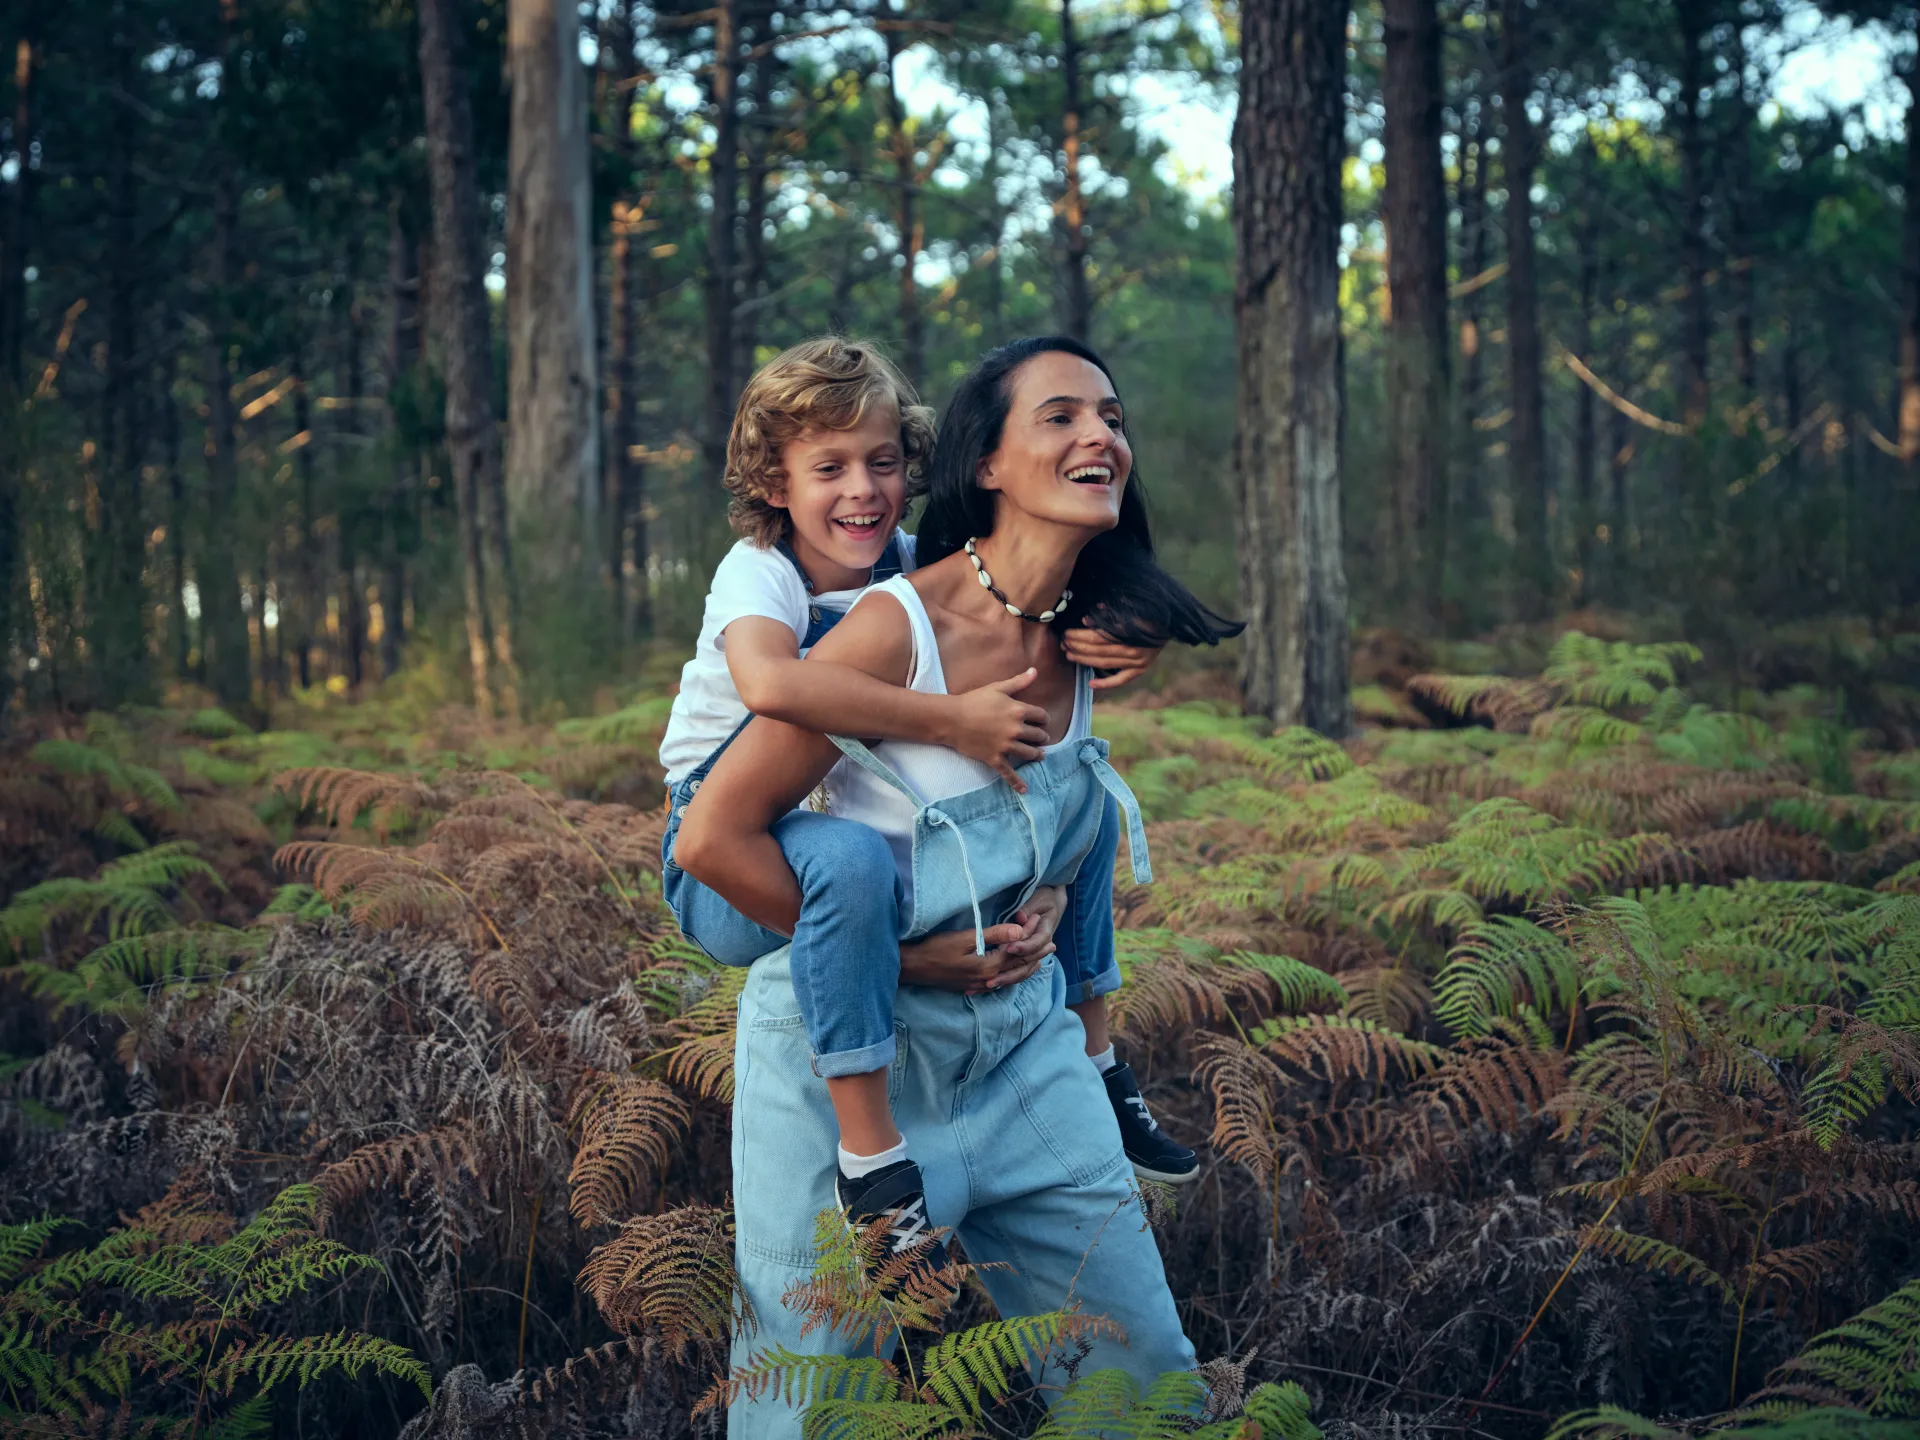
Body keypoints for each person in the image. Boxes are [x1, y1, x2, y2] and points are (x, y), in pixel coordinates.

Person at [674, 335, 1242, 1438]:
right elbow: (713, 834)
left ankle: (1106, 1072)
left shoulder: (1092, 635)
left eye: (1114, 418)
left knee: (1145, 1392)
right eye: (1064, 416)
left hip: (1031, 1061)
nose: (1101, 437)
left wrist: (1065, 941)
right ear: (988, 462)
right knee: (809, 1413)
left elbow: (1064, 838)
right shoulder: (886, 629)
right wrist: (906, 955)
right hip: (853, 1072)